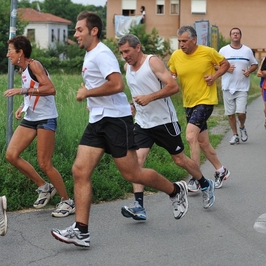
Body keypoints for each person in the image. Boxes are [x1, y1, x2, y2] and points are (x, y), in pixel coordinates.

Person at [51, 12, 188, 248]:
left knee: (132, 173)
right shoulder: (91, 54)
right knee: (80, 171)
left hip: (116, 121)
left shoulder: (102, 53)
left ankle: (175, 190)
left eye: (79, 29)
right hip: (99, 120)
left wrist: (87, 94)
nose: (75, 34)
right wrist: (91, 99)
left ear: (93, 30)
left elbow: (117, 85)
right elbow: (104, 85)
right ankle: (81, 231)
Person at [118, 34, 215, 220]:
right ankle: (139, 206)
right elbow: (139, 91)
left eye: (127, 51)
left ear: (138, 48)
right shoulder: (127, 68)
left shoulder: (152, 62)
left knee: (179, 160)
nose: (125, 56)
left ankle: (204, 183)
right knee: (137, 163)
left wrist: (149, 97)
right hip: (143, 123)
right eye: (122, 52)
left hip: (164, 122)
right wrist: (133, 104)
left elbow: (173, 87)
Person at [4, 35, 75, 218]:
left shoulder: (34, 65)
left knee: (45, 163)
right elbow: (33, 90)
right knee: (11, 155)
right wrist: (23, 105)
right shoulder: (23, 69)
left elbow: (50, 89)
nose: (7, 54)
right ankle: (44, 187)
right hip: (31, 118)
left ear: (20, 52)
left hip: (46, 119)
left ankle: (67, 201)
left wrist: (22, 91)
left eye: (10, 51)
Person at [168, 25, 231, 190]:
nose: (181, 44)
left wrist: (215, 76)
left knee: (190, 136)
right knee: (202, 142)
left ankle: (196, 178)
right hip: (188, 103)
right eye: (179, 41)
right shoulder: (176, 56)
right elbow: (172, 73)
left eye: (184, 41)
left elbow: (225, 64)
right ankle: (221, 170)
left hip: (205, 100)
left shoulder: (208, 52)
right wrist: (171, 77)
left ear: (194, 40)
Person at [218, 27, 258, 145]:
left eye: (237, 33)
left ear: (240, 36)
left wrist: (249, 71)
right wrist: (225, 68)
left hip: (242, 87)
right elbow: (215, 65)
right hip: (227, 86)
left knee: (241, 113)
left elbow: (254, 64)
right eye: (233, 33)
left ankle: (242, 127)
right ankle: (235, 135)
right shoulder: (223, 50)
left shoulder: (247, 50)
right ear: (230, 36)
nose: (235, 35)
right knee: (230, 114)